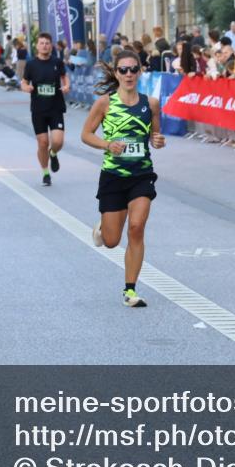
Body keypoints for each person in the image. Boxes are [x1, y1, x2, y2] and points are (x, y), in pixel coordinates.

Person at [82, 50, 166, 308]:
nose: (129, 74)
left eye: (133, 69)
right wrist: (107, 145)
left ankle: (130, 290)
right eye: (123, 70)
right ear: (116, 73)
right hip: (113, 176)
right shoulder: (104, 103)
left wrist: (158, 141)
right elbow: (86, 134)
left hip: (141, 175)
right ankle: (102, 228)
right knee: (111, 241)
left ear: (140, 72)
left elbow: (154, 136)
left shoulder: (151, 104)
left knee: (137, 227)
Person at [21, 33, 70, 186]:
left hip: (55, 107)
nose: (44, 46)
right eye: (41, 43)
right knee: (43, 142)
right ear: (37, 46)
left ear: (51, 46)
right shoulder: (31, 64)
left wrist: (66, 86)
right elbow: (24, 82)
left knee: (58, 141)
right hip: (38, 109)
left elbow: (64, 76)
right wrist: (26, 87)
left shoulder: (57, 62)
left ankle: (53, 153)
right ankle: (45, 173)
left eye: (47, 43)